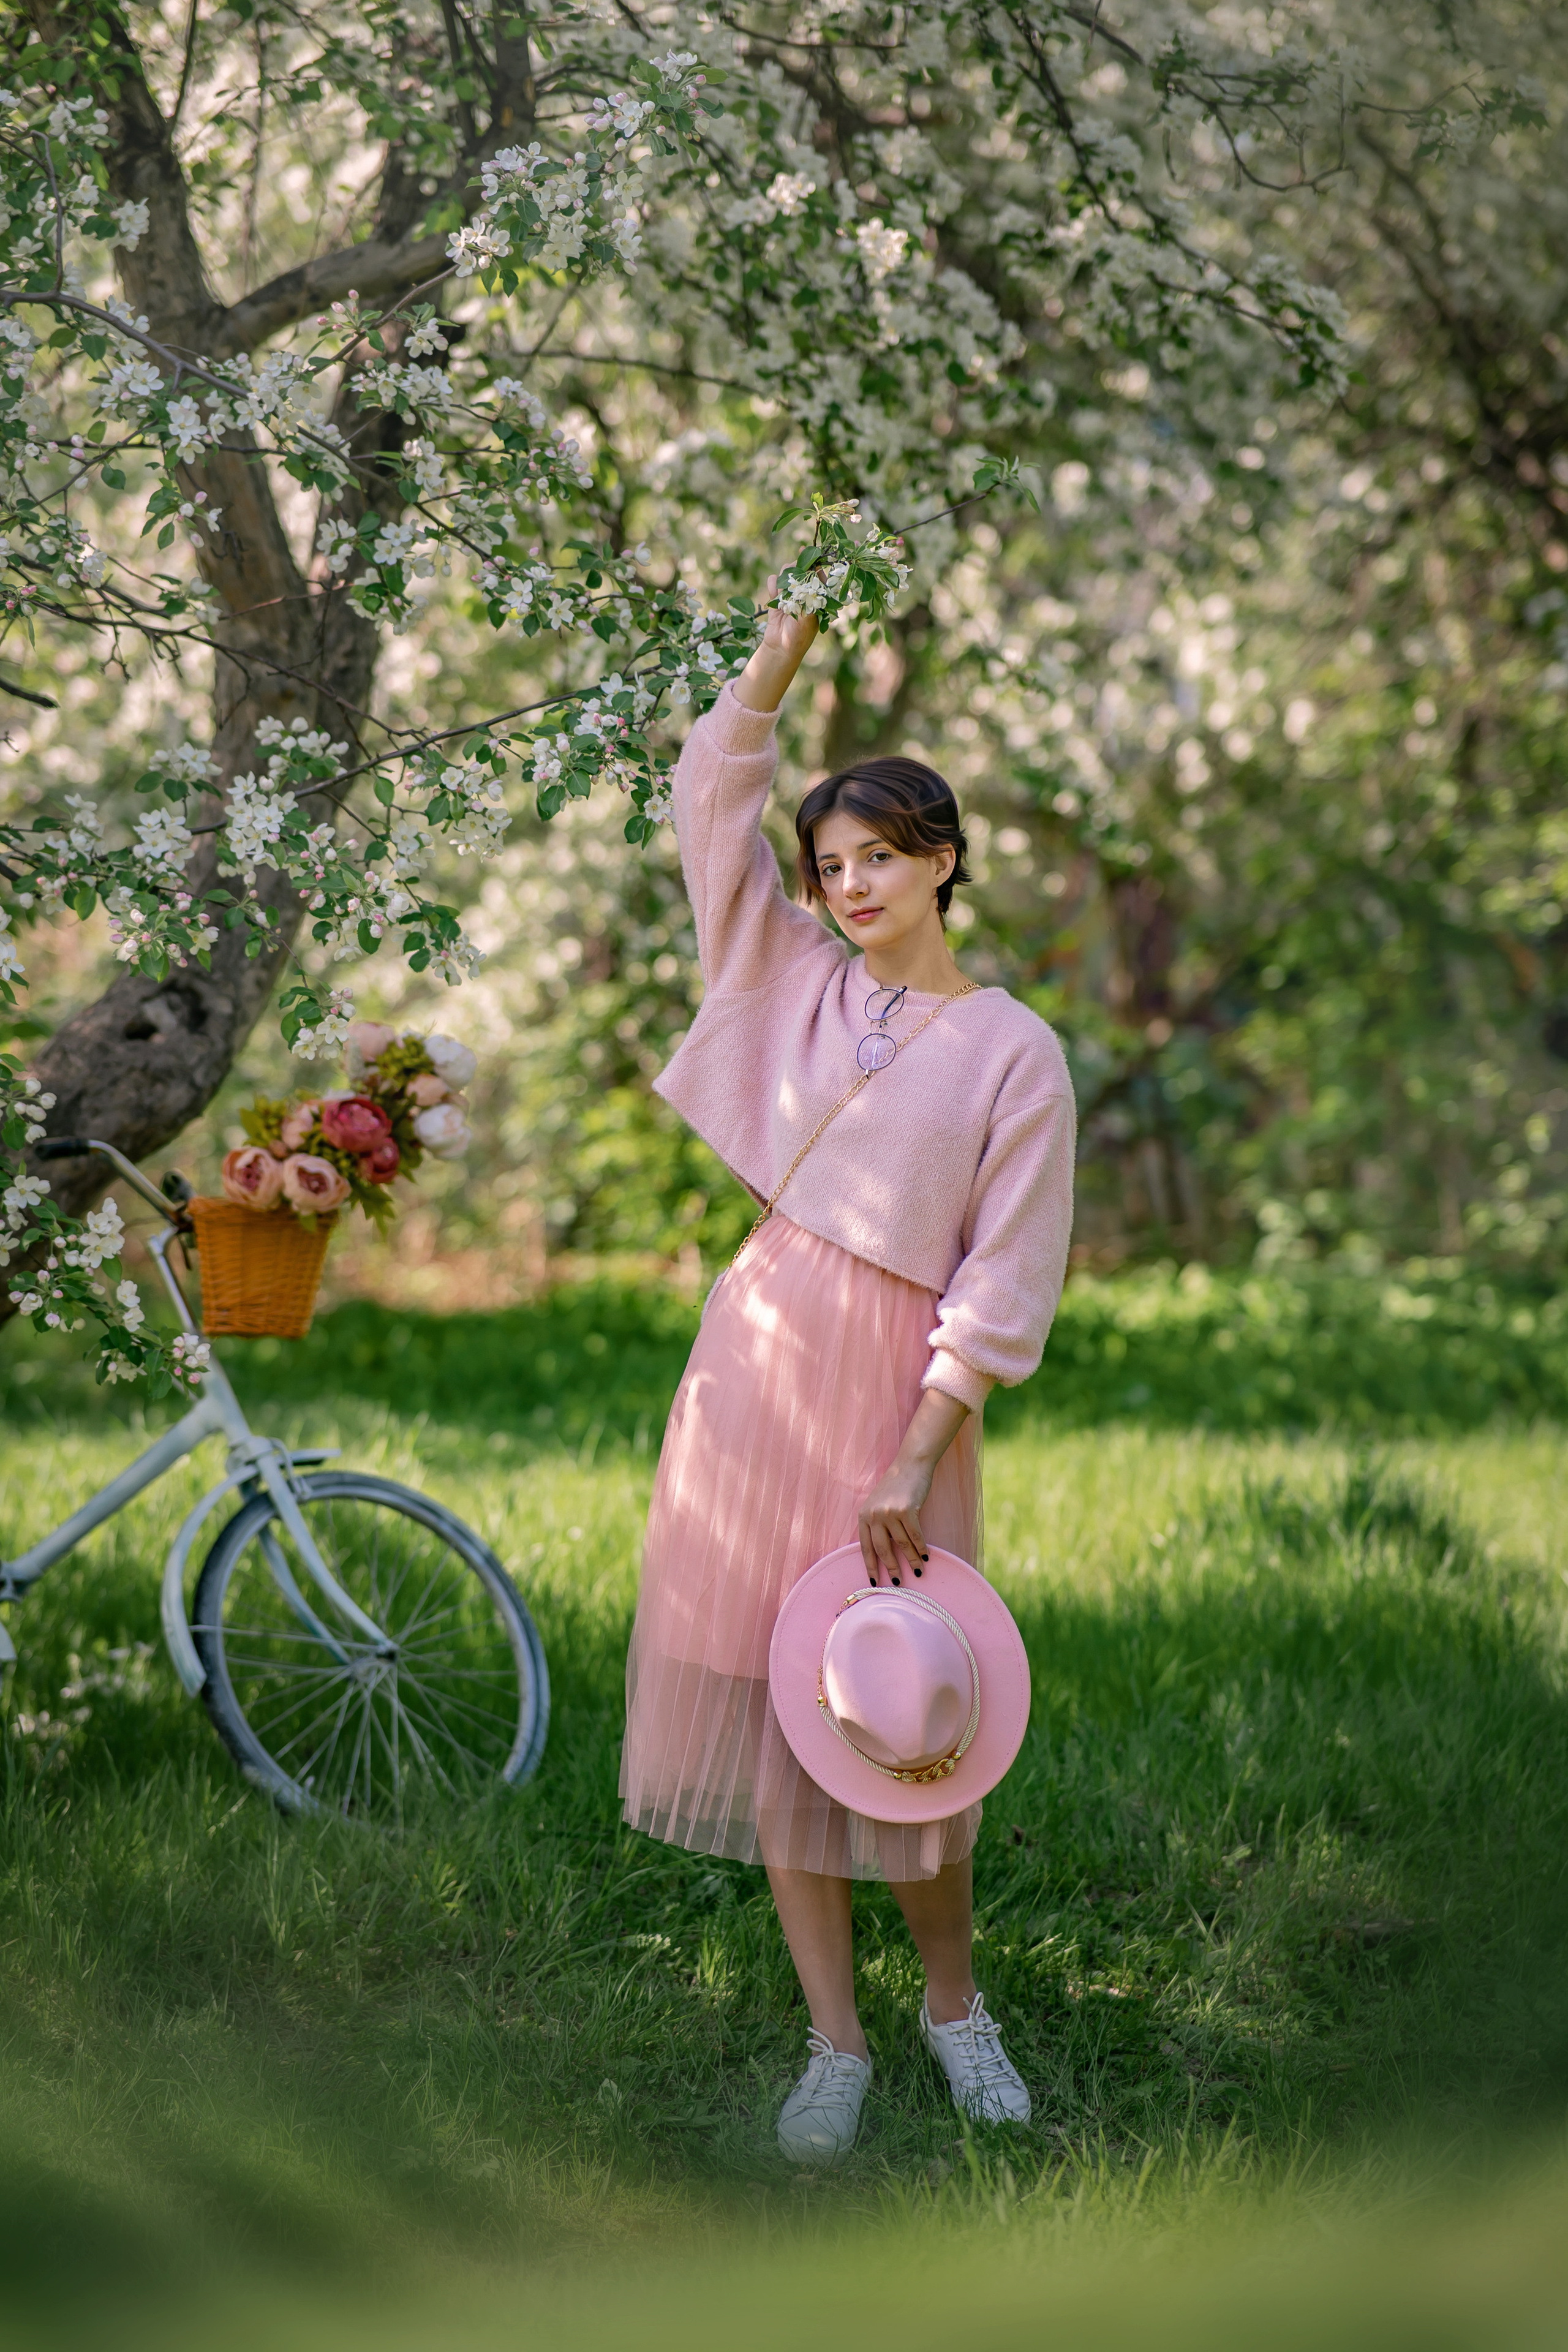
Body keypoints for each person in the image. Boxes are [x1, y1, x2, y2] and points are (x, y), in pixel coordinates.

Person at [619, 587, 1076, 2163]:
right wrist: (786, 640)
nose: (852, 885)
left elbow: (1004, 1279)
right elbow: (705, 789)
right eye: (830, 865)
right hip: (755, 1363)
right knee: (775, 1718)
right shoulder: (791, 977)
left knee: (903, 1732)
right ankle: (835, 2047)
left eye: (881, 855)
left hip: (896, 1397)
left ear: (942, 857)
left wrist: (912, 1450)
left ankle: (957, 2012)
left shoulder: (1013, 1046)